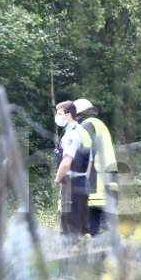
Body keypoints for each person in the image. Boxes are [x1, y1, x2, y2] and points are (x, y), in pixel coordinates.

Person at [73, 98, 119, 236]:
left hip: (95, 180)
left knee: (94, 229)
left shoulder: (86, 125)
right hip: (109, 178)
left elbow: (88, 150)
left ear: (79, 115)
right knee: (106, 225)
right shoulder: (99, 124)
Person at [53, 100, 92, 238]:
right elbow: (90, 161)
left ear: (68, 114)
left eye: (59, 114)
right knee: (82, 228)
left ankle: (68, 257)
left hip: (71, 185)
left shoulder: (71, 134)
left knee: (68, 230)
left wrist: (57, 180)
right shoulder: (82, 131)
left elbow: (66, 162)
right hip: (82, 182)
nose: (57, 117)